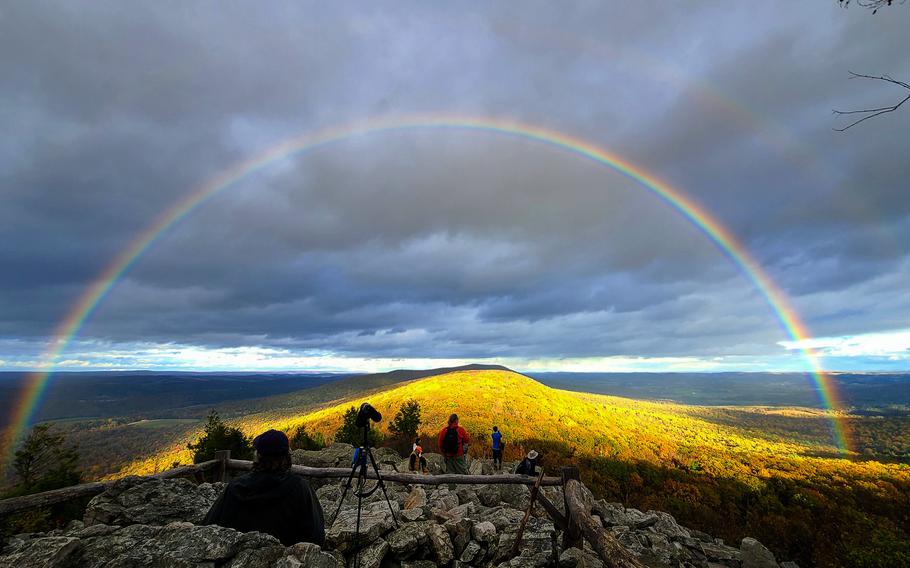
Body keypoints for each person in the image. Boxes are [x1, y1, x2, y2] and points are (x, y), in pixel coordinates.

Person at [204, 429, 325, 547]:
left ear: (258, 456)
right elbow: (316, 536)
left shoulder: (235, 487)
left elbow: (208, 527)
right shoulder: (300, 488)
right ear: (287, 457)